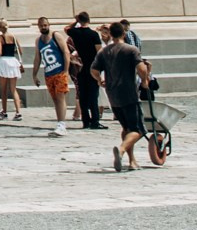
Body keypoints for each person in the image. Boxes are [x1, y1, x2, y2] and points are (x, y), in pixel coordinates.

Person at [92, 22, 154, 171]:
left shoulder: (104, 51)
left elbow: (93, 70)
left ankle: (132, 161)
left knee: (126, 128)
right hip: (129, 94)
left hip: (113, 95)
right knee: (138, 130)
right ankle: (121, 150)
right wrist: (145, 81)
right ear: (124, 34)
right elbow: (140, 68)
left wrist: (100, 80)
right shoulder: (131, 49)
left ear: (111, 35)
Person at [66, 12, 105, 129]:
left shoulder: (75, 33)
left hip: (82, 66)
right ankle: (95, 121)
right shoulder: (93, 34)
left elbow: (67, 28)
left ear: (79, 20)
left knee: (83, 95)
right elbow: (99, 52)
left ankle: (86, 120)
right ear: (89, 20)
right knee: (93, 95)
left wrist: (76, 21)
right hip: (92, 66)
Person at [35, 17, 72, 135]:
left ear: (49, 25)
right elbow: (37, 58)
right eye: (41, 26)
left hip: (60, 71)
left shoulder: (56, 36)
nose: (43, 27)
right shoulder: (38, 41)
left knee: (60, 97)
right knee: (55, 99)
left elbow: (66, 52)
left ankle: (62, 124)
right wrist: (34, 75)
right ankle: (59, 123)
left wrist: (66, 70)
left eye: (45, 25)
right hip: (49, 73)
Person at [0, 20, 23, 118]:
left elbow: (0, 52)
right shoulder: (13, 36)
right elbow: (20, 51)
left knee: (3, 89)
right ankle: (18, 112)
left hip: (4, 61)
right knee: (13, 89)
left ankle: (4, 111)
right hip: (13, 61)